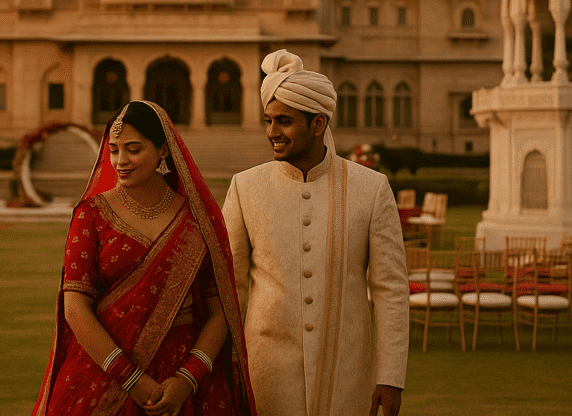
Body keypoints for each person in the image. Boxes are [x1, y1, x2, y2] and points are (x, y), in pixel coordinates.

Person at [33, 100, 257, 416]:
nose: (120, 161)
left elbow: (220, 311)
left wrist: (187, 378)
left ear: (163, 150)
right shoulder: (91, 215)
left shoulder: (197, 221)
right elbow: (75, 308)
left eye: (134, 149)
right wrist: (132, 380)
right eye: (113, 150)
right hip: (105, 376)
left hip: (185, 378)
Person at [221, 50, 409, 416]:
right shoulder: (246, 188)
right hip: (265, 374)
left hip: (346, 375)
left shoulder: (371, 188)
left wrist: (390, 377)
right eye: (269, 120)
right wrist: (223, 368)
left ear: (318, 123)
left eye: (284, 121)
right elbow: (230, 289)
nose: (272, 132)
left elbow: (391, 290)